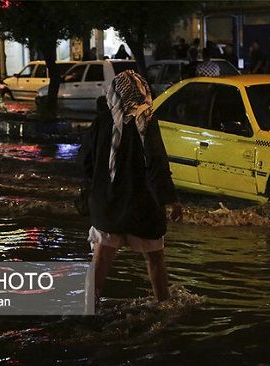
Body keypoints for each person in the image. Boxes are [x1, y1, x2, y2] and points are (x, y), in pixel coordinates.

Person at [83, 70, 183, 304]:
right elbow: (157, 163)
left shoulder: (102, 121)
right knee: (155, 259)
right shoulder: (146, 122)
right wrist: (171, 199)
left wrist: (95, 190)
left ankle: (88, 306)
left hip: (109, 206)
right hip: (143, 208)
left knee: (100, 260)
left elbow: (86, 162)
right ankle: (163, 306)